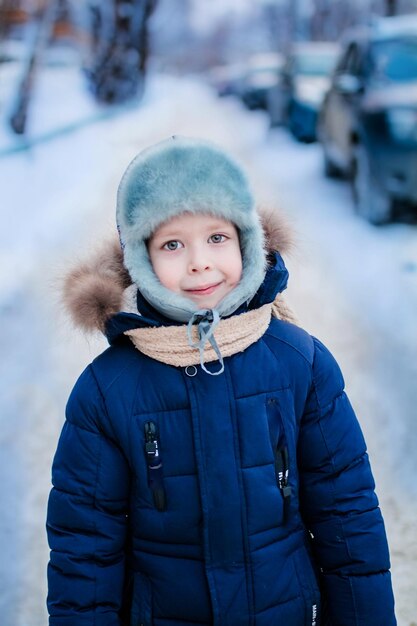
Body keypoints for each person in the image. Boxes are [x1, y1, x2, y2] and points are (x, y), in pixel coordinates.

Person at [46, 136, 396, 626]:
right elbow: (84, 551)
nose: (199, 262)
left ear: (247, 240)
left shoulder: (299, 362)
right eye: (172, 244)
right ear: (139, 259)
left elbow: (347, 515)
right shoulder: (107, 391)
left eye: (217, 237)